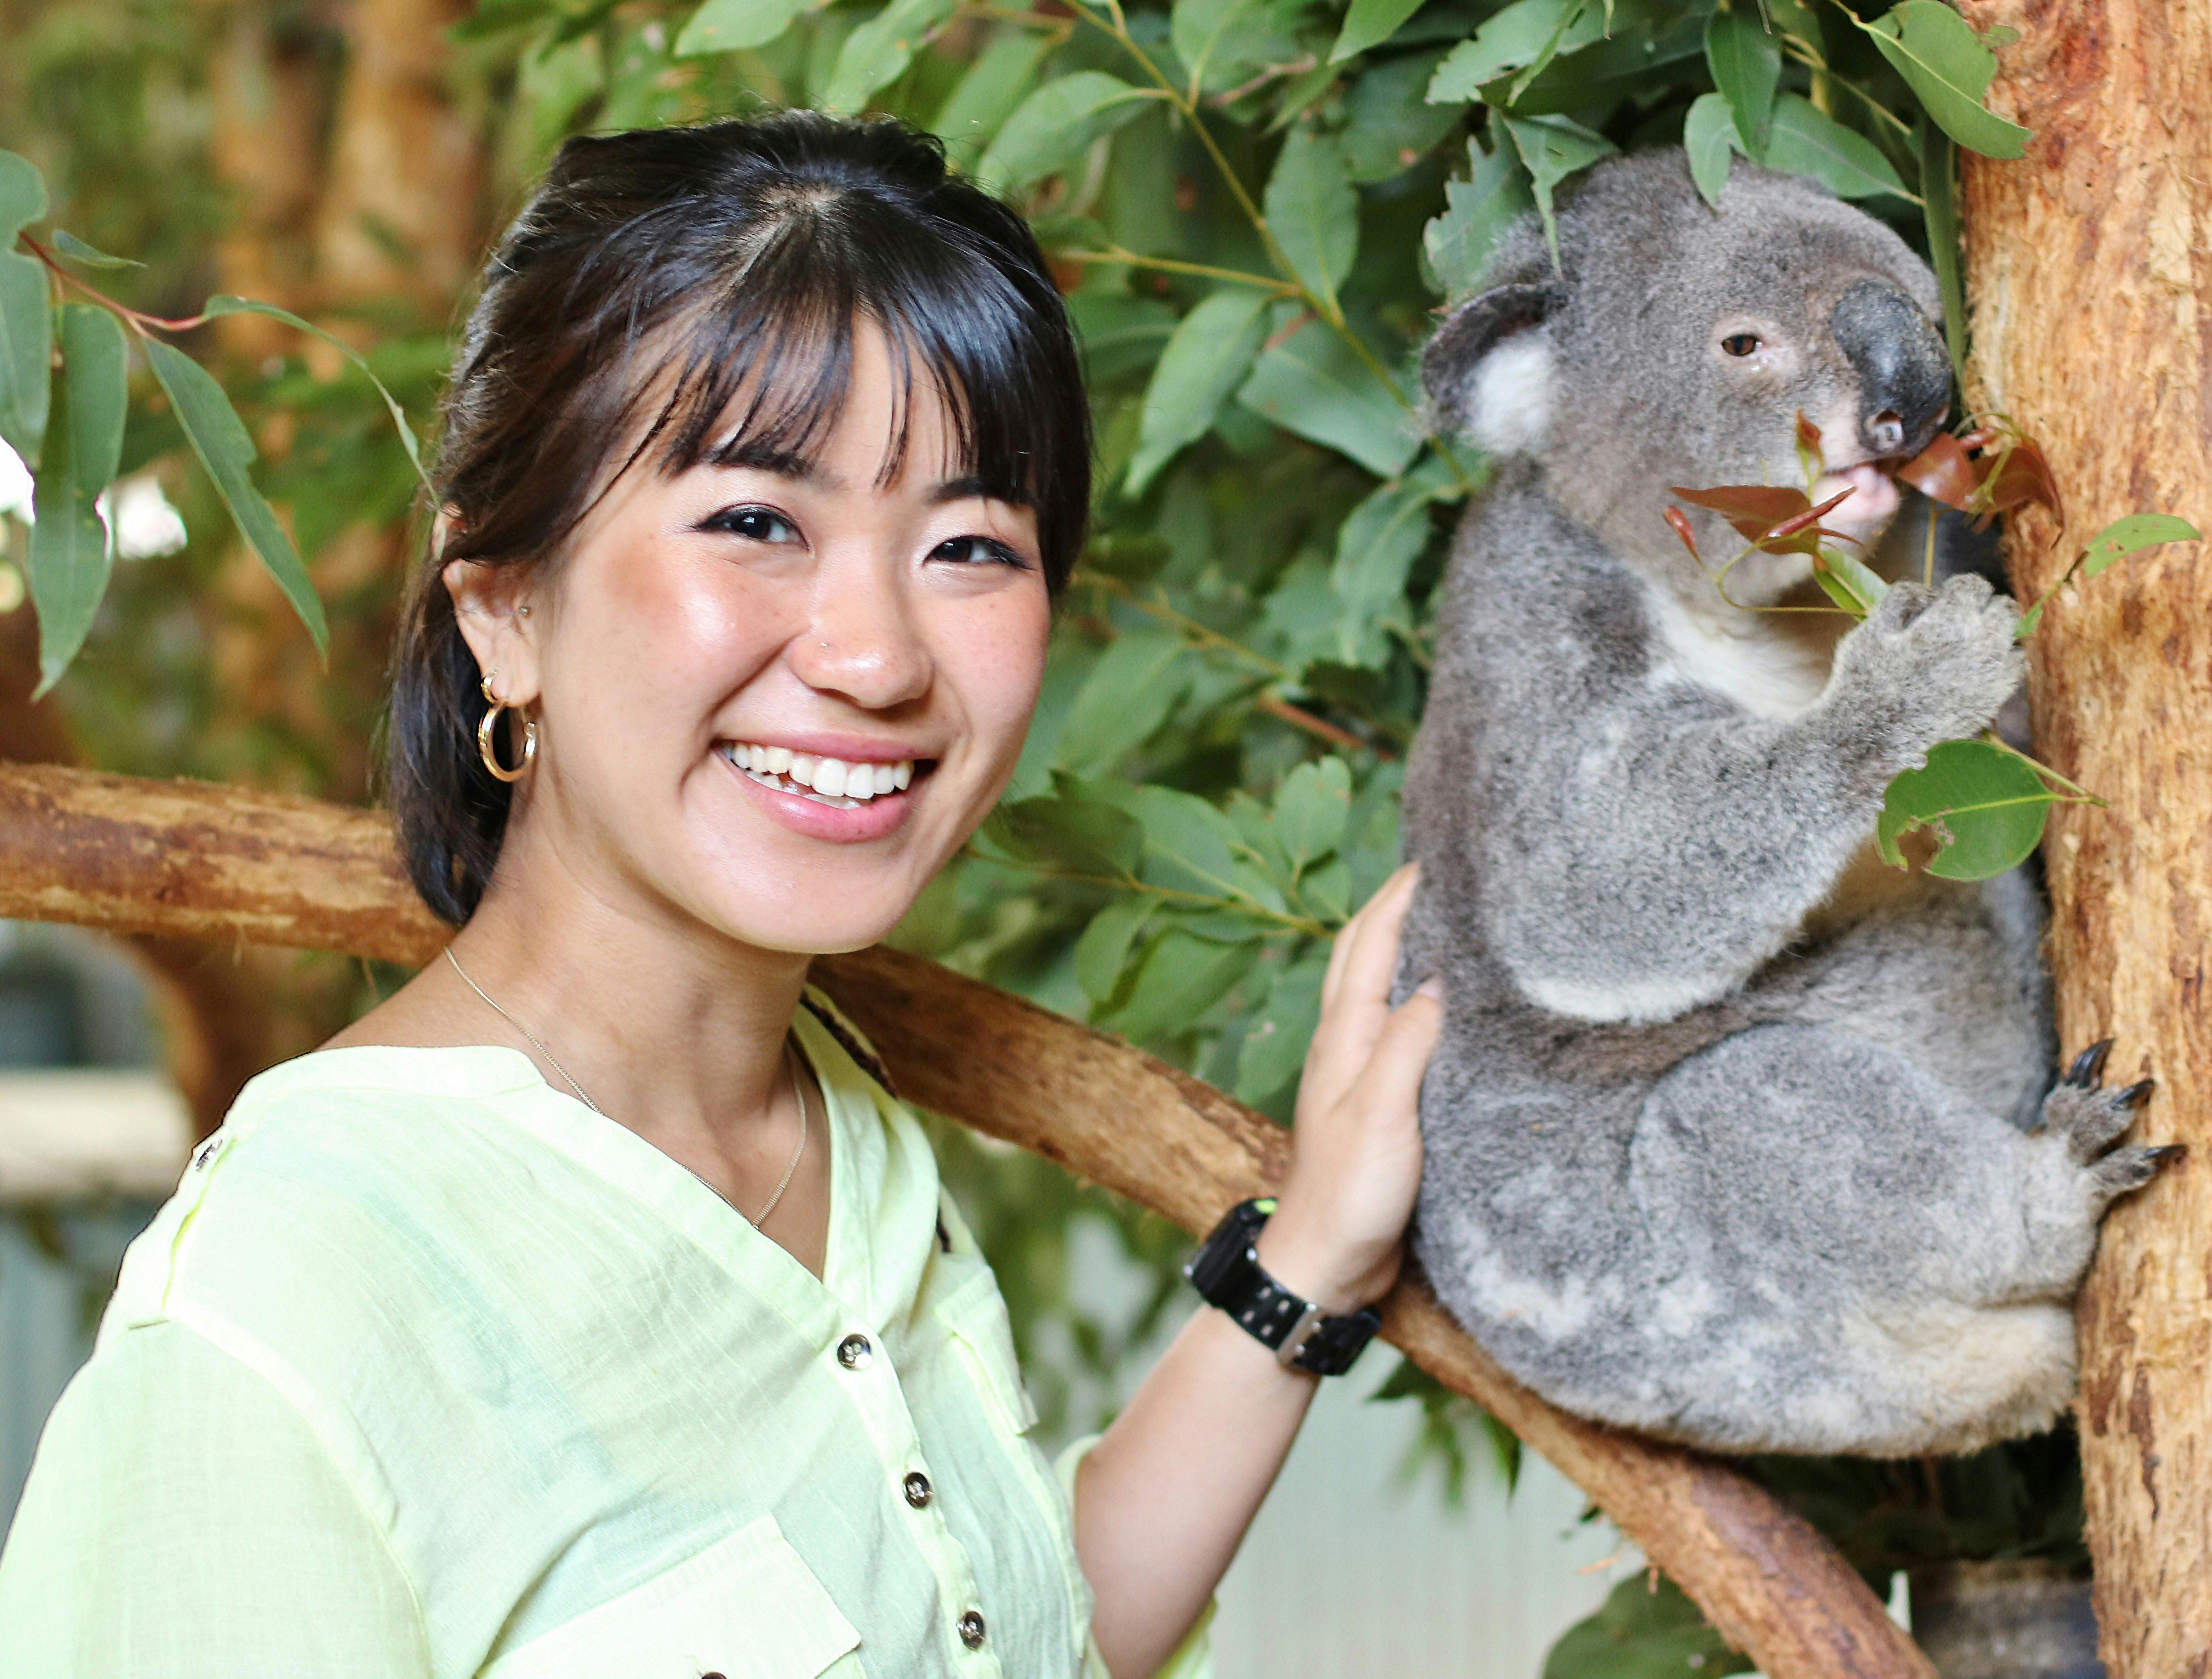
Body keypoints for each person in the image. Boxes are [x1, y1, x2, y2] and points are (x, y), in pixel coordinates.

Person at [0, 112, 1443, 1679]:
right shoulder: (290, 1305)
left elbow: (1008, 1637)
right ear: (506, 615)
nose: (877, 656)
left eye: (969, 544)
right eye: (757, 522)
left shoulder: (849, 1135)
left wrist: (1311, 1263)